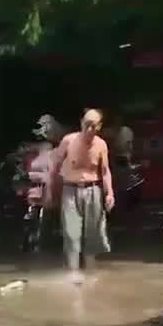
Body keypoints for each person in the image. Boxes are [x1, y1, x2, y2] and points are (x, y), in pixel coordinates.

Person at [47, 108, 114, 281]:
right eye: (86, 124)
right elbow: (55, 167)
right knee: (71, 233)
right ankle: (73, 274)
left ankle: (91, 273)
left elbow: (105, 171)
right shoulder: (68, 141)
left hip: (93, 190)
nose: (89, 129)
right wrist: (50, 191)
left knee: (93, 234)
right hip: (70, 189)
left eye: (93, 125)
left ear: (99, 126)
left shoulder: (101, 145)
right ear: (81, 123)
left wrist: (109, 193)